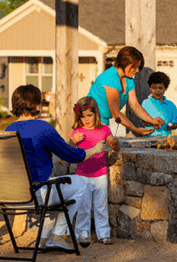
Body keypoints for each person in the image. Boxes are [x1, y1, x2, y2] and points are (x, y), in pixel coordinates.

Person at [5, 85, 106, 250]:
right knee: (80, 183)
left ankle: (43, 240)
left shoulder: (9, 130)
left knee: (56, 191)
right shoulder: (42, 128)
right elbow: (71, 156)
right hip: (36, 193)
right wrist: (94, 150)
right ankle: (58, 234)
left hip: (10, 194)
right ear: (38, 105)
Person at [70, 97, 120, 246]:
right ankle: (82, 234)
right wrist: (73, 141)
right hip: (82, 175)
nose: (86, 119)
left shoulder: (104, 129)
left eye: (89, 115)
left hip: (100, 174)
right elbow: (69, 151)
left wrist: (115, 143)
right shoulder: (77, 131)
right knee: (84, 207)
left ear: (96, 114)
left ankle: (104, 234)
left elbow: (115, 146)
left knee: (101, 206)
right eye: (83, 116)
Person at [88, 46, 164, 137]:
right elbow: (115, 113)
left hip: (102, 121)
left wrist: (151, 120)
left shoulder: (129, 79)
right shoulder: (109, 78)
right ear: (124, 63)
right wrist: (135, 129)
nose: (137, 70)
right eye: (134, 67)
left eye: (138, 67)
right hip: (89, 122)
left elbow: (134, 104)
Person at [141, 72, 177, 137]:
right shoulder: (145, 103)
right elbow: (143, 121)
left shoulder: (171, 105)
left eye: (160, 88)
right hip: (149, 138)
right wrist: (153, 123)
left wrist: (168, 125)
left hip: (166, 139)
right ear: (150, 88)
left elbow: (175, 124)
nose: (157, 91)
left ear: (166, 88)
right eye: (154, 88)